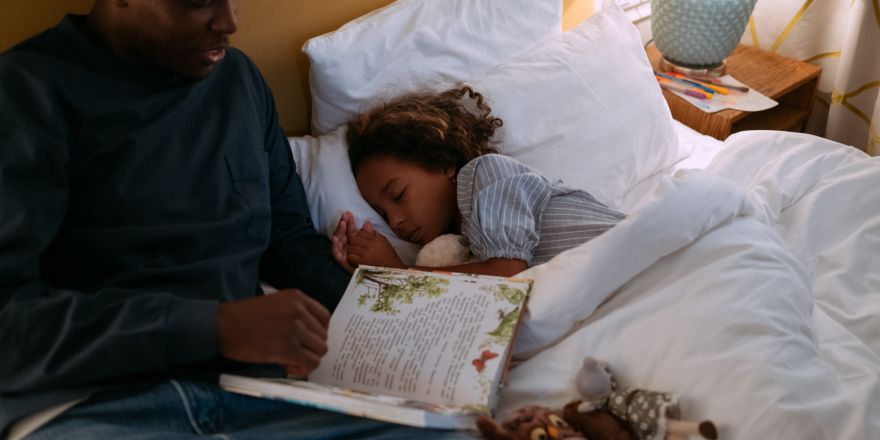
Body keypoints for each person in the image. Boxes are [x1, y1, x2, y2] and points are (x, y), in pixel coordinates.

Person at [0, 1, 474, 439]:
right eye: (197, 1)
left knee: (465, 431)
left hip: (255, 395)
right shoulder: (26, 94)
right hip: (96, 405)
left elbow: (287, 241)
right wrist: (212, 325)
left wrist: (403, 321)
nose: (228, 21)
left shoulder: (238, 80)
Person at [331, 86, 627, 277]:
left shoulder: (486, 175)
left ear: (443, 162)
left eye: (397, 194)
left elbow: (507, 273)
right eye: (382, 214)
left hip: (629, 258)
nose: (395, 221)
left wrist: (397, 270)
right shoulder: (460, 246)